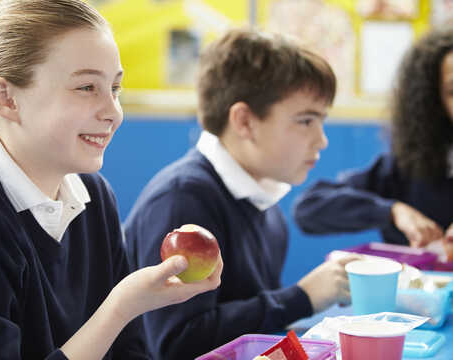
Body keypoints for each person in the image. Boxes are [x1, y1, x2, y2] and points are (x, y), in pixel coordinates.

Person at [0, 1, 222, 359]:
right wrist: (120, 308)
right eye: (86, 87)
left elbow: (129, 351)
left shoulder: (94, 196)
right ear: (6, 98)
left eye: (115, 88)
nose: (112, 112)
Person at [124, 28, 358, 360]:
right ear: (245, 121)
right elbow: (175, 345)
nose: (322, 140)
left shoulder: (266, 203)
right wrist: (301, 297)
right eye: (306, 120)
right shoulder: (183, 200)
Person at [293, 25, 453, 251]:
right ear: (434, 102)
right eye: (452, 91)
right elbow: (309, 209)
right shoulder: (405, 169)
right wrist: (392, 210)